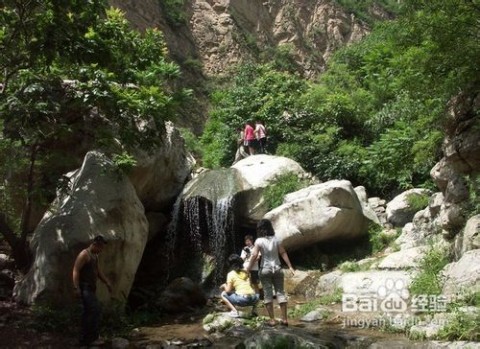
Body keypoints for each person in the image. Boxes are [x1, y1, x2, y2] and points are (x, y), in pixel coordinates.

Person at [246, 219, 295, 327]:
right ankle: (285, 319)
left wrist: (248, 268)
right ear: (270, 228)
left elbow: (254, 256)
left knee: (268, 294)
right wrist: (290, 266)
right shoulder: (276, 239)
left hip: (265, 269)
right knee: (280, 292)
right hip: (277, 268)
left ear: (260, 229)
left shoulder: (258, 241)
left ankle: (272, 320)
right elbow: (283, 252)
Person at [72, 235, 112, 346]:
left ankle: (87, 338)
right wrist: (76, 288)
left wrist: (107, 282)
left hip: (91, 288)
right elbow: (76, 270)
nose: (101, 250)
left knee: (89, 312)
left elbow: (98, 271)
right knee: (94, 310)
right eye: (101, 248)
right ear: (95, 245)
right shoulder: (84, 254)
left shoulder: (95, 256)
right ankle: (89, 338)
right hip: (85, 287)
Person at [219, 254, 259, 318]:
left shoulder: (231, 274)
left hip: (243, 299)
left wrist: (224, 285)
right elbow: (249, 285)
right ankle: (254, 310)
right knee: (253, 292)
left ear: (231, 265)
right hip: (255, 298)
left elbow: (228, 291)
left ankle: (235, 311)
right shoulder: (246, 272)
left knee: (223, 294)